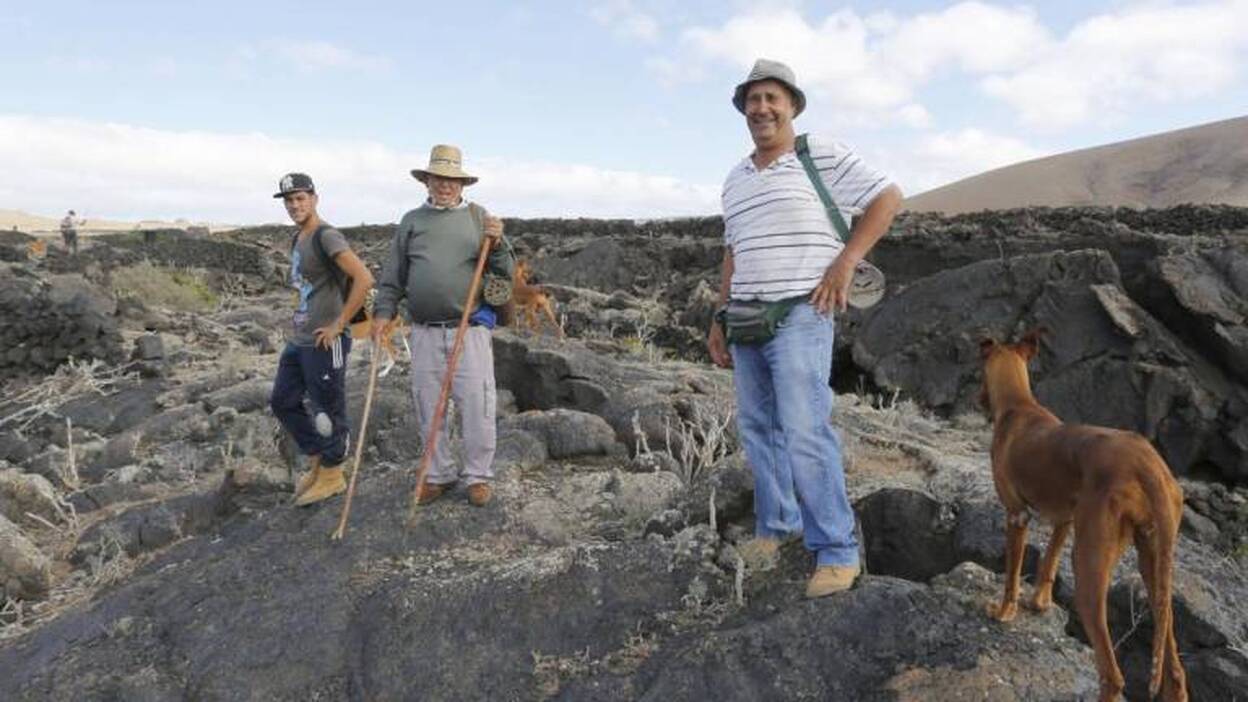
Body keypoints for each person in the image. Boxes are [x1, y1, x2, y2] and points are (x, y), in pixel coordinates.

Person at [707, 59, 903, 598]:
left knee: (805, 430)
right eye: (753, 100)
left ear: (791, 104)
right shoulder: (735, 178)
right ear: (743, 109)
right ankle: (776, 526)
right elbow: (732, 251)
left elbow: (888, 197)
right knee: (758, 429)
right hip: (746, 317)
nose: (761, 109)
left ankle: (837, 550)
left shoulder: (821, 155)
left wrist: (845, 263)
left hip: (800, 313)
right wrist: (719, 316)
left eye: (772, 98)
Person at [373, 145, 513, 508]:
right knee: (427, 403)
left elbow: (504, 273)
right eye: (438, 177)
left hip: (470, 328)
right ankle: (437, 474)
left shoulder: (479, 218)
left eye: (451, 179)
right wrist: (383, 313)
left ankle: (478, 476)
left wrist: (497, 244)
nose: (445, 185)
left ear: (462, 182)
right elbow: (393, 276)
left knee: (477, 404)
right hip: (423, 330)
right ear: (427, 181)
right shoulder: (411, 221)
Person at [267, 173, 375, 507]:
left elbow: (364, 278)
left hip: (326, 340)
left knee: (328, 409)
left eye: (300, 198)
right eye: (289, 200)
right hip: (300, 339)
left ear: (314, 198)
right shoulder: (298, 237)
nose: (294, 205)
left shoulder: (326, 236)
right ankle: (316, 458)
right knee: (282, 401)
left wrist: (338, 324)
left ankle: (332, 474)